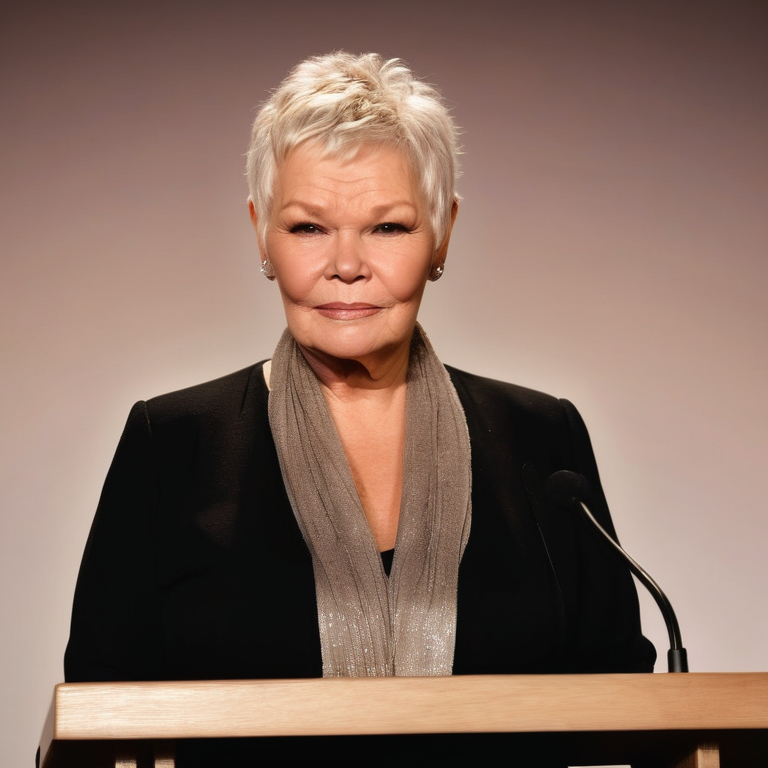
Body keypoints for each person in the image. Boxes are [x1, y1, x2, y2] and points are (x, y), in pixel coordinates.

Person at [63, 52, 655, 763]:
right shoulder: (170, 445)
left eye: (389, 228)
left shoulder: (542, 439)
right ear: (261, 233)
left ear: (443, 233)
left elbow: (630, 702)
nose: (347, 264)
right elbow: (100, 715)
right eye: (309, 227)